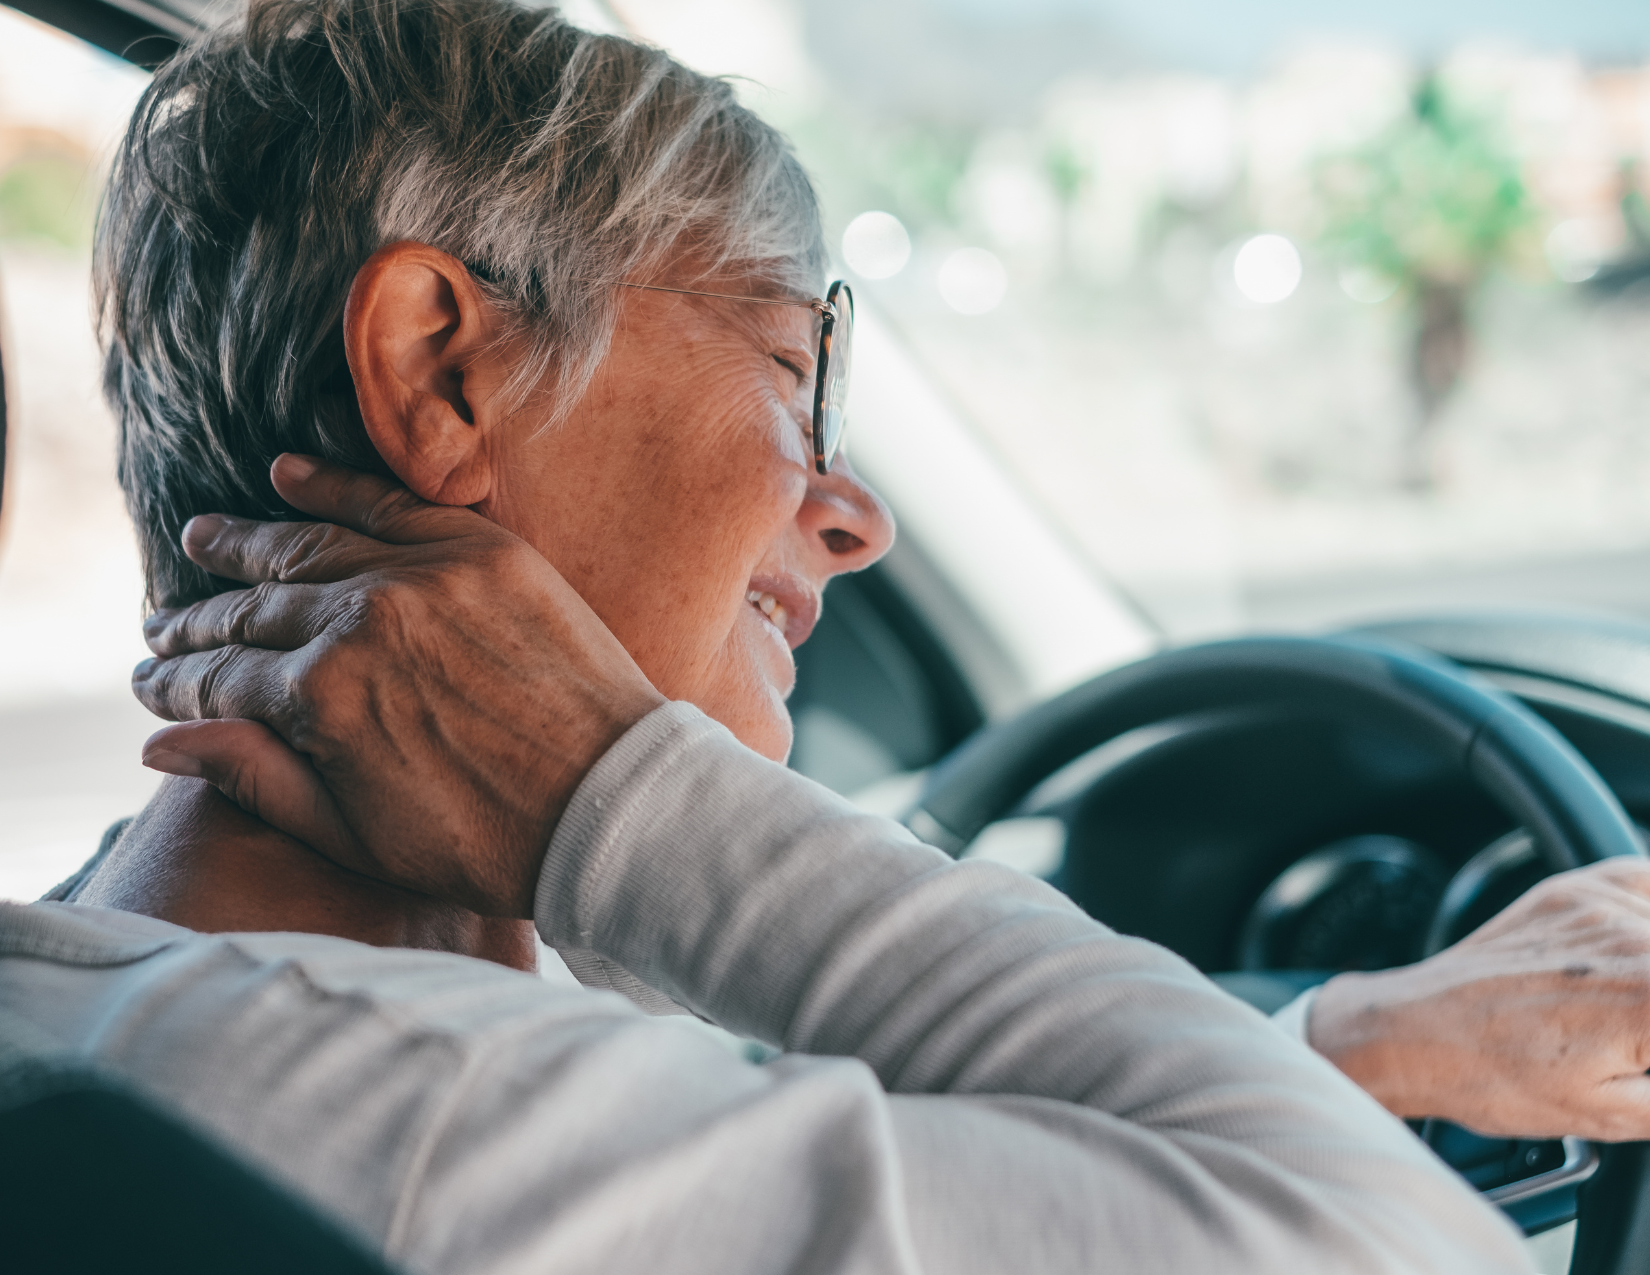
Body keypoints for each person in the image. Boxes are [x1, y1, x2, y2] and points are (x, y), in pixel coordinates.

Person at [0, 0, 1645, 1268]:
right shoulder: (426, 1114)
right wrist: (614, 794)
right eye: (793, 371)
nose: (857, 515)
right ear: (445, 368)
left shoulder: (125, 994)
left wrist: (1328, 1043)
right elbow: (1373, 1240)